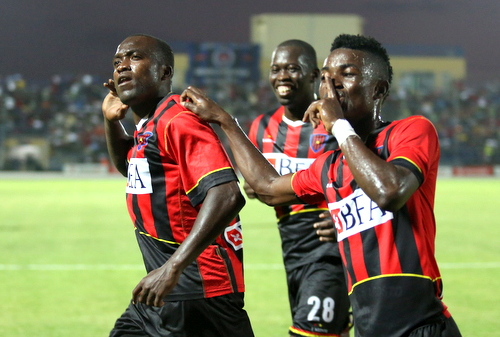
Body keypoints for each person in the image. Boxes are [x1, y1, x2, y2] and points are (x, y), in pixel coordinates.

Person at [180, 34, 462, 337]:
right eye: (327, 77)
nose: (333, 85)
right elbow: (268, 187)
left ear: (379, 89)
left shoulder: (410, 131)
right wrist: (225, 121)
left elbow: (389, 191)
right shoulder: (331, 166)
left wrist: (339, 125)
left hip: (422, 326)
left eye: (347, 74)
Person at [101, 34, 254, 337]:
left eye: (134, 57)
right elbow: (132, 170)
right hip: (163, 292)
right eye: (118, 61)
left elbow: (227, 193)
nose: (122, 67)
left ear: (164, 72)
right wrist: (110, 122)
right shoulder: (150, 124)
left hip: (198, 291)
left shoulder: (178, 120)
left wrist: (173, 268)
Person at [245, 39, 350, 337]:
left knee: (309, 332)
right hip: (291, 244)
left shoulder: (335, 122)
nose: (282, 76)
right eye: (276, 69)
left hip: (330, 244)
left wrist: (345, 212)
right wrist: (253, 187)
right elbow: (254, 180)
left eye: (292, 68)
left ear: (313, 75)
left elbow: (364, 172)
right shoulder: (261, 127)